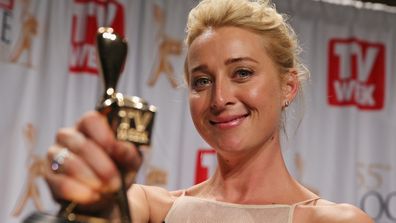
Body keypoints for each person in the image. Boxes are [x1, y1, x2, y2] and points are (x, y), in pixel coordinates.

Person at [45, 0, 374, 222]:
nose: (219, 98)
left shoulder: (335, 221)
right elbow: (112, 211)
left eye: (242, 73)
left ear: (288, 87)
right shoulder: (153, 208)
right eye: (202, 81)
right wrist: (96, 200)